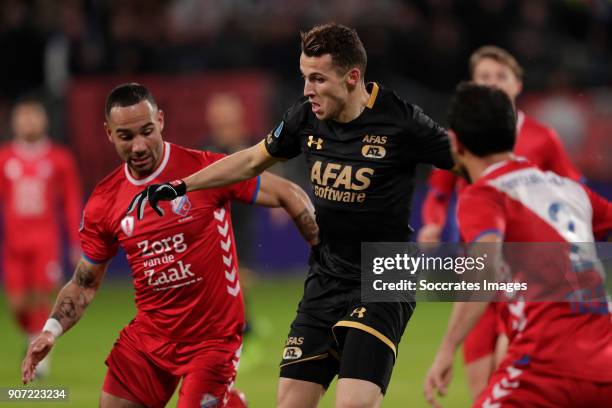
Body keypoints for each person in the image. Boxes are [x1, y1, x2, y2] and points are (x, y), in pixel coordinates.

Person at [129, 23, 454, 408]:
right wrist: (183, 185)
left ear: (352, 77)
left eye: (317, 79)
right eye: (304, 77)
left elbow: (469, 160)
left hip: (385, 273)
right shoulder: (305, 117)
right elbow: (251, 160)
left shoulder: (401, 120)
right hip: (326, 277)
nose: (307, 90)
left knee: (353, 404)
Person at [22, 83, 318, 408]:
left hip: (212, 340)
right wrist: (50, 330)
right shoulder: (105, 201)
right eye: (126, 136)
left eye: (146, 131)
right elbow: (84, 283)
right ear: (108, 133)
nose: (138, 145)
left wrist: (322, 245)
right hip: (151, 337)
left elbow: (286, 193)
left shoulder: (204, 169)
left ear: (160, 121)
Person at [423, 82, 612, 408]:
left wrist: (446, 349)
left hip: (544, 367)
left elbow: (484, 272)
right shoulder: (569, 190)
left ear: (456, 142)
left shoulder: (483, 195)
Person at [1, 98, 82, 378]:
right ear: (14, 122)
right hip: (14, 244)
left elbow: (71, 201)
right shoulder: (4, 159)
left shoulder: (59, 158)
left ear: (44, 121)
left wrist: (75, 242)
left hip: (45, 241)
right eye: (23, 116)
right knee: (17, 304)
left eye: (34, 116)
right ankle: (32, 335)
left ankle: (41, 356)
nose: (28, 122)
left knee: (40, 297)